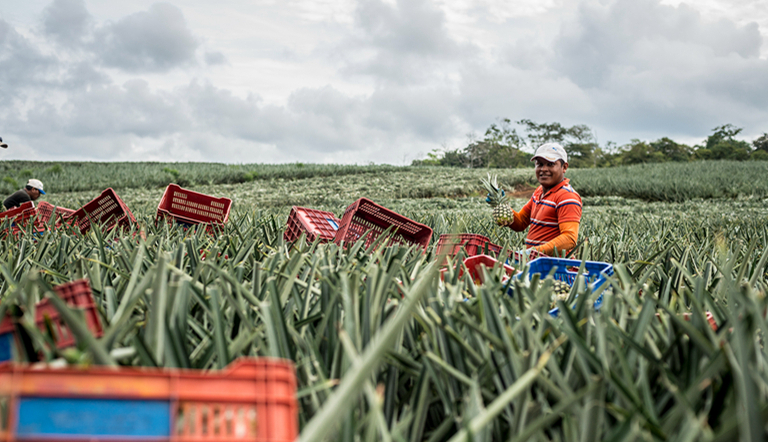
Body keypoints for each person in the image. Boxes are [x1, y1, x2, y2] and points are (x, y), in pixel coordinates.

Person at [500, 143, 582, 257]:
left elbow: (569, 239)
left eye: (550, 164)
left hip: (554, 267)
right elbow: (521, 223)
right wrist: (501, 206)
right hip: (535, 263)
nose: (544, 169)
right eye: (539, 164)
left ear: (564, 167)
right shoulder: (539, 192)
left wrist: (533, 252)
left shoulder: (567, 197)